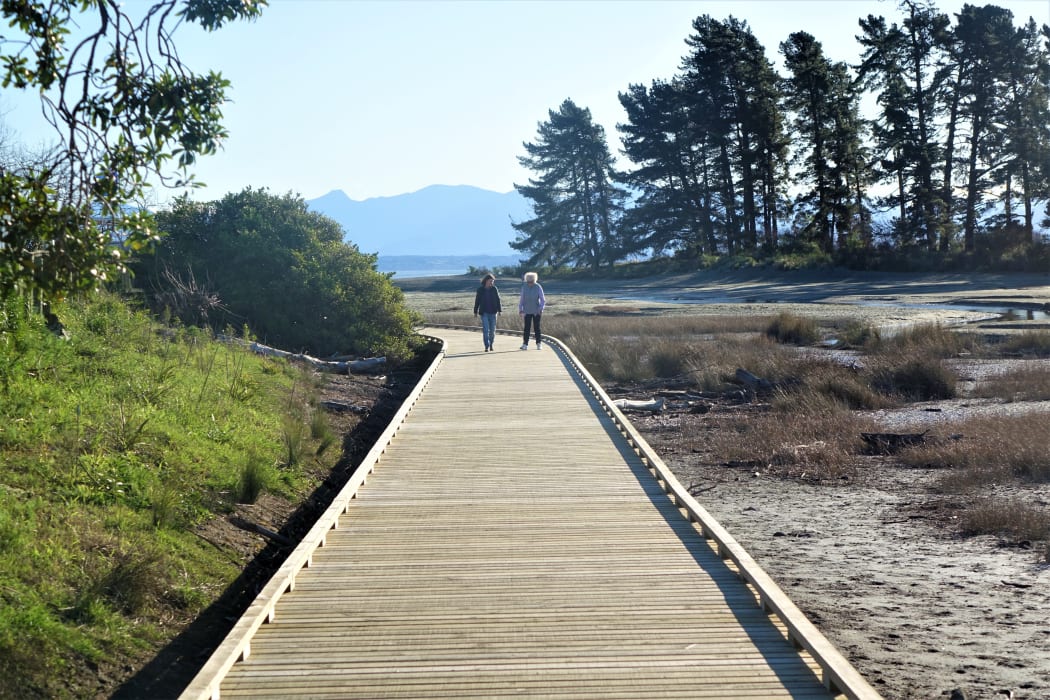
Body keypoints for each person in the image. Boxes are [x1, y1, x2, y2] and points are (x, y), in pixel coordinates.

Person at [473, 273, 502, 352]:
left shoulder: (494, 289)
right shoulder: (480, 290)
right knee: (486, 330)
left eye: (492, 281)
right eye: (490, 281)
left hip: (493, 312)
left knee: (492, 330)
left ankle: (491, 344)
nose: (491, 283)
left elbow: (498, 299)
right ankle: (486, 345)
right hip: (484, 313)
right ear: (486, 281)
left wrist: (499, 310)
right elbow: (477, 301)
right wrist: (475, 311)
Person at [518, 271, 546, 350]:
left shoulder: (538, 287)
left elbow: (543, 300)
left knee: (537, 327)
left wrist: (541, 309)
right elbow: (522, 300)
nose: (530, 283)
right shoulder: (524, 287)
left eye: (532, 281)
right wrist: (520, 309)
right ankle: (525, 344)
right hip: (526, 311)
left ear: (534, 280)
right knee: (526, 328)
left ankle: (538, 343)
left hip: (536, 311)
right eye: (528, 281)